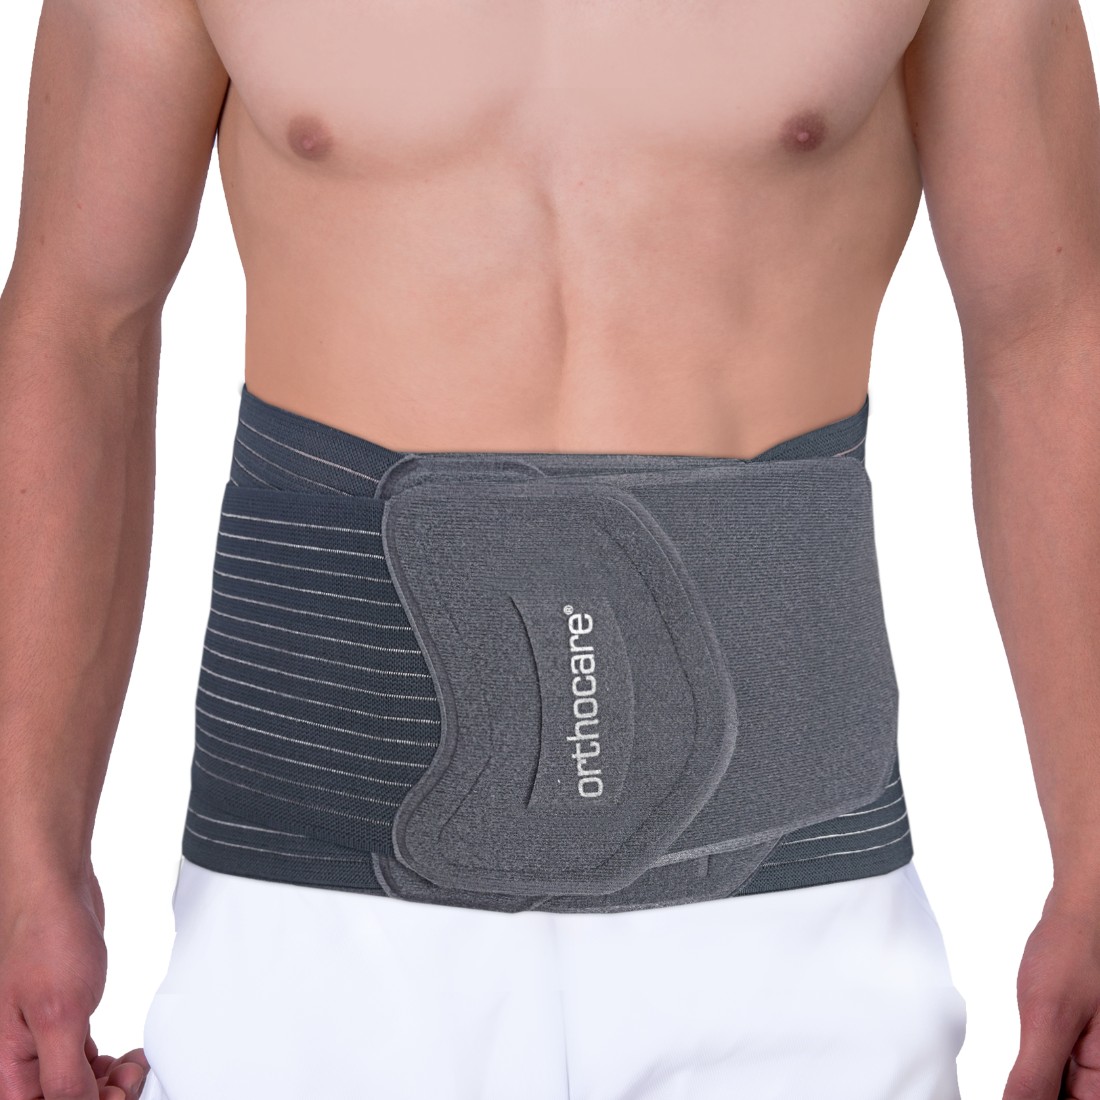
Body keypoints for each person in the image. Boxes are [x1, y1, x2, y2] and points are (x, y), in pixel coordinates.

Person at [1, 0, 1099, 1097]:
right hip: (314, 941)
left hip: (797, 939)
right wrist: (24, 849)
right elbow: (78, 329)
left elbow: (1046, 330)